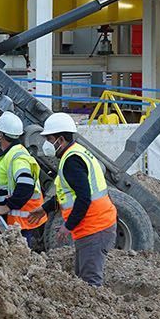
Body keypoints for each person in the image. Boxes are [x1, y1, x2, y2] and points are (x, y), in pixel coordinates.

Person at [41, 112, 116, 285]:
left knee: (90, 281)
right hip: (94, 226)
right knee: (83, 279)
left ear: (60, 140)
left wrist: (68, 226)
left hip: (95, 227)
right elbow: (68, 195)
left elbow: (84, 198)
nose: (47, 144)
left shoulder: (71, 161)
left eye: (49, 139)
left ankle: (97, 311)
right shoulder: (75, 154)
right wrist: (45, 208)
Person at [0, 111, 46, 248]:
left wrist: (7, 207)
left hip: (22, 219)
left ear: (1, 135)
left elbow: (26, 185)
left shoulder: (17, 157)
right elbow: (2, 183)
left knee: (19, 256)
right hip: (18, 219)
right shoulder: (11, 154)